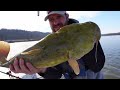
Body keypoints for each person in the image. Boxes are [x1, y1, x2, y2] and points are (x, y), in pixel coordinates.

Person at [9, 11, 105, 79]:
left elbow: (98, 66)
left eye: (58, 17)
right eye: (51, 19)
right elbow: (56, 75)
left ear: (66, 16)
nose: (55, 22)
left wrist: (77, 50)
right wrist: (41, 70)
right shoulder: (49, 44)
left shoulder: (84, 34)